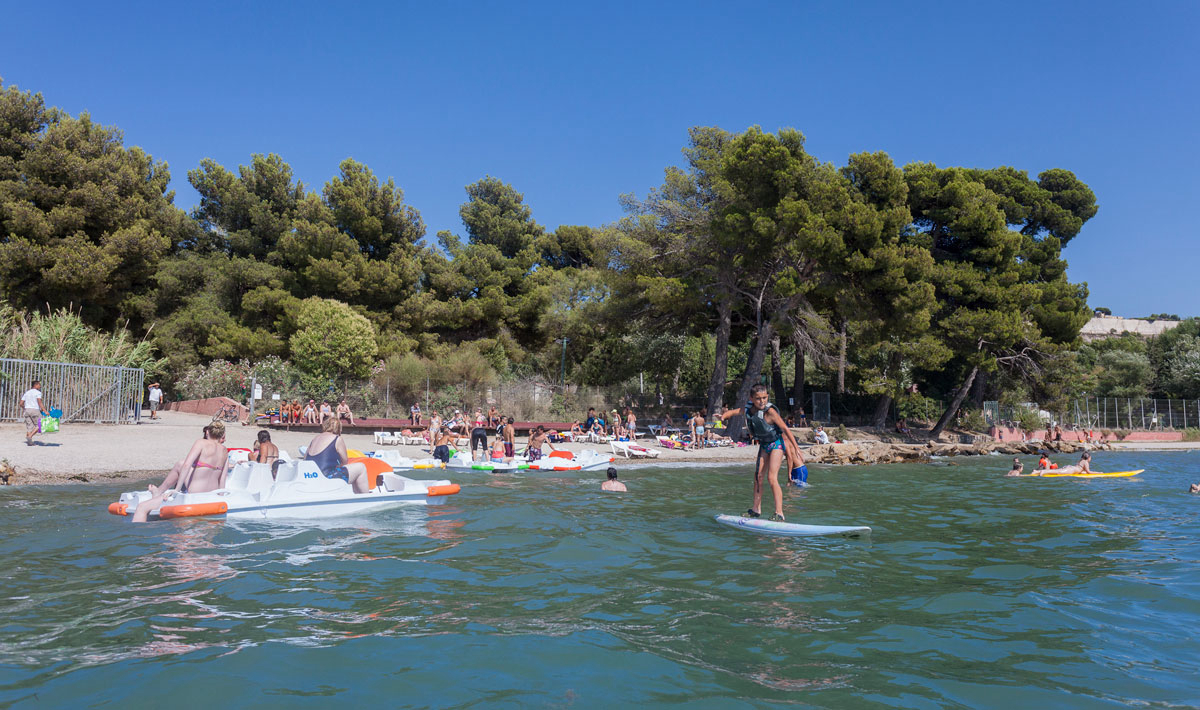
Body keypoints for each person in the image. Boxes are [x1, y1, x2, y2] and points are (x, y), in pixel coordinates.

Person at [720, 384, 803, 521]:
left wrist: (797, 448)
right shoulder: (748, 409)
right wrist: (723, 416)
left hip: (776, 444)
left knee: (771, 478)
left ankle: (779, 513)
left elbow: (785, 429)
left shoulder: (770, 412)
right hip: (764, 445)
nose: (762, 401)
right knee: (758, 477)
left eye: (764, 398)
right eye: (758, 398)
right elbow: (734, 412)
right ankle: (756, 510)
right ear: (751, 398)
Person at [132, 423, 230, 522]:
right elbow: (222, 478)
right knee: (181, 464)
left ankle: (138, 536)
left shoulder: (201, 443)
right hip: (212, 495)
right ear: (222, 435)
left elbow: (187, 465)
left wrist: (177, 490)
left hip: (195, 494)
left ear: (207, 432)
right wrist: (220, 498)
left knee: (141, 508)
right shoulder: (224, 450)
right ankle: (158, 492)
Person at [304, 418, 371, 492]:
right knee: (361, 467)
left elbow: (305, 459)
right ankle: (364, 496)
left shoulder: (315, 438)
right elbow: (345, 462)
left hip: (311, 477)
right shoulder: (337, 439)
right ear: (339, 428)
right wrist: (337, 466)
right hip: (326, 478)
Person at [20, 380, 47, 446]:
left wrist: (24, 408)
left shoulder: (27, 393)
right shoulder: (38, 393)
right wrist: (44, 410)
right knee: (39, 425)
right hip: (35, 410)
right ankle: (30, 436)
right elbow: (39, 402)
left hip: (27, 410)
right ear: (35, 385)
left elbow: (21, 403)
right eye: (39, 385)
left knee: (29, 426)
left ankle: (30, 442)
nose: (40, 386)